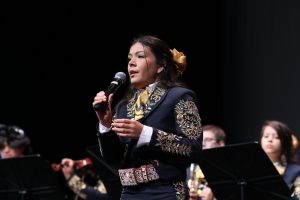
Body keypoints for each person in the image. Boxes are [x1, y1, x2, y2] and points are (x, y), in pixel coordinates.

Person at [92, 35, 203, 200]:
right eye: (129, 58)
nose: (131, 62)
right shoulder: (123, 107)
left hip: (166, 191)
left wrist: (145, 134)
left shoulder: (179, 96)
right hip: (129, 193)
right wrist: (105, 124)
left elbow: (193, 148)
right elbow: (114, 160)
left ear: (161, 65)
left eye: (140, 56)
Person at [259, 120, 300, 199]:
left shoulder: (295, 171)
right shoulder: (252, 168)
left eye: (276, 137)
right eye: (266, 136)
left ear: (285, 143)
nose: (270, 140)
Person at [187, 124, 226, 200]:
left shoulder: (229, 167)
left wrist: (215, 193)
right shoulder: (192, 167)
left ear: (221, 143)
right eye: (200, 140)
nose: (203, 144)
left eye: (207, 140)